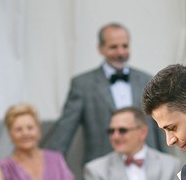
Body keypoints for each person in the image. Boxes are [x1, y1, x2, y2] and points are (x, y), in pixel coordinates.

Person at [45, 23, 164, 164]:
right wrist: (49, 167)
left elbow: (160, 127)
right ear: (100, 48)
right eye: (113, 47)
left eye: (125, 46)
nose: (120, 52)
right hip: (101, 168)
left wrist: (167, 164)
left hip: (147, 165)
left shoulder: (147, 80)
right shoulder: (83, 85)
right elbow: (64, 131)